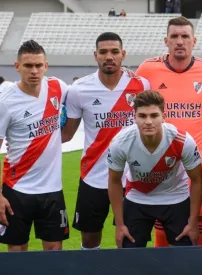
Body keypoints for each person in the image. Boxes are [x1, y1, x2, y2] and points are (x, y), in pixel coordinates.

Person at [136, 16, 202, 247]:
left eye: (185, 36)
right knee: (163, 232)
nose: (180, 41)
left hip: (198, 165)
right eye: (174, 36)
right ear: (166, 40)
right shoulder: (147, 69)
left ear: (194, 41)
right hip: (160, 164)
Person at [62, 32, 150, 250]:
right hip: (93, 175)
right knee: (90, 240)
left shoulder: (141, 85)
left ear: (123, 54)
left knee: (130, 240)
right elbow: (67, 135)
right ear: (95, 55)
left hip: (132, 177)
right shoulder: (79, 89)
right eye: (103, 52)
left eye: (114, 52)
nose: (109, 56)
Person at [107, 90, 202, 248]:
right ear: (134, 117)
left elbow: (197, 180)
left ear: (163, 116)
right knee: (128, 254)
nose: (148, 121)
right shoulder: (120, 142)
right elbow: (114, 181)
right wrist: (120, 225)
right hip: (138, 197)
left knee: (185, 256)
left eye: (154, 115)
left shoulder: (182, 140)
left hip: (176, 197)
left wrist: (192, 223)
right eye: (142, 116)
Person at [0, 40, 69, 251]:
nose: (34, 71)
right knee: (18, 251)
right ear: (17, 66)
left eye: (39, 65)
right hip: (16, 189)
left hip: (52, 189)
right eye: (28, 65)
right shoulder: (5, 101)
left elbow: (86, 92)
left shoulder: (58, 87)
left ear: (46, 66)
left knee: (54, 250)